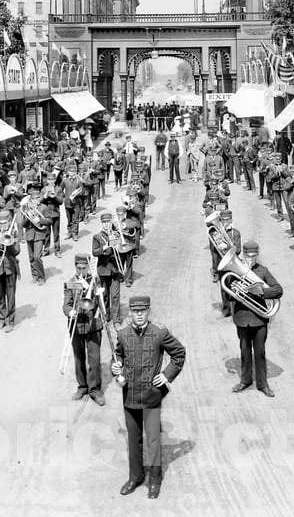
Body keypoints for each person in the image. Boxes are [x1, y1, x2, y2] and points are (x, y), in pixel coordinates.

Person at [112, 295, 187, 500]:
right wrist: (115, 365)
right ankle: (135, 477)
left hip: (152, 397)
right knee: (133, 440)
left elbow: (179, 353)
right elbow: (117, 355)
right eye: (135, 311)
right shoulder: (123, 334)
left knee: (153, 440)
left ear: (149, 311)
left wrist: (167, 374)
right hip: (129, 396)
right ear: (130, 313)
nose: (139, 315)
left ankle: (154, 480)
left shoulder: (159, 333)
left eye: (142, 311)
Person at [229, 241, 283, 397]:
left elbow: (278, 290)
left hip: (259, 320)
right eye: (247, 255)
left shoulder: (263, 271)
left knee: (260, 352)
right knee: (245, 351)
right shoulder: (235, 272)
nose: (250, 259)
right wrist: (233, 290)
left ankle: (263, 384)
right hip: (242, 319)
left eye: (253, 256)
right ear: (242, 255)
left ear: (257, 254)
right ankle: (245, 381)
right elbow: (226, 294)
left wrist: (260, 292)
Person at [64, 254, 104, 405]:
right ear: (75, 267)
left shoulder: (95, 280)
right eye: (78, 268)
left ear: (88, 267)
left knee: (94, 360)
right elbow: (66, 304)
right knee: (78, 358)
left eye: (84, 268)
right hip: (77, 324)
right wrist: (70, 312)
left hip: (93, 325)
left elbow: (101, 302)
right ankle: (82, 387)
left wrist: (100, 293)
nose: (81, 271)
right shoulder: (70, 283)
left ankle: (95, 390)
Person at [92, 213, 124, 324]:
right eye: (104, 222)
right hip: (103, 269)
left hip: (115, 269)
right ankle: (106, 315)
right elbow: (94, 252)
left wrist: (119, 244)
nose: (106, 225)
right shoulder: (97, 237)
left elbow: (122, 250)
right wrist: (103, 248)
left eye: (108, 222)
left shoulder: (117, 234)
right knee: (105, 295)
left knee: (115, 295)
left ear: (111, 223)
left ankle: (116, 319)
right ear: (102, 223)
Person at [20, 183, 51, 285]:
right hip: (29, 234)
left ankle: (41, 277)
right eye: (33, 199)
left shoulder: (44, 207)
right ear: (30, 199)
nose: (35, 201)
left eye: (37, 198)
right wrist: (28, 219)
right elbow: (23, 224)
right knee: (31, 257)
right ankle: (35, 276)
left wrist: (39, 220)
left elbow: (49, 221)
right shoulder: (26, 208)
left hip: (39, 234)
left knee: (37, 257)